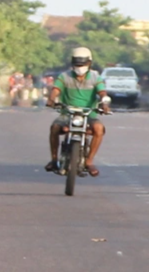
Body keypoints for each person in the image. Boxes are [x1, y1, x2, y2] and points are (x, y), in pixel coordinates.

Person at [46, 47, 110, 176]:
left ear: (89, 63)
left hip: (88, 114)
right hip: (67, 114)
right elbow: (56, 90)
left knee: (98, 128)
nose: (80, 67)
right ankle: (53, 160)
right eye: (77, 64)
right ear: (72, 63)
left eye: (83, 64)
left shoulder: (95, 77)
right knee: (54, 127)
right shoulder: (64, 77)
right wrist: (52, 99)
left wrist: (104, 102)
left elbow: (102, 92)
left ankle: (89, 161)